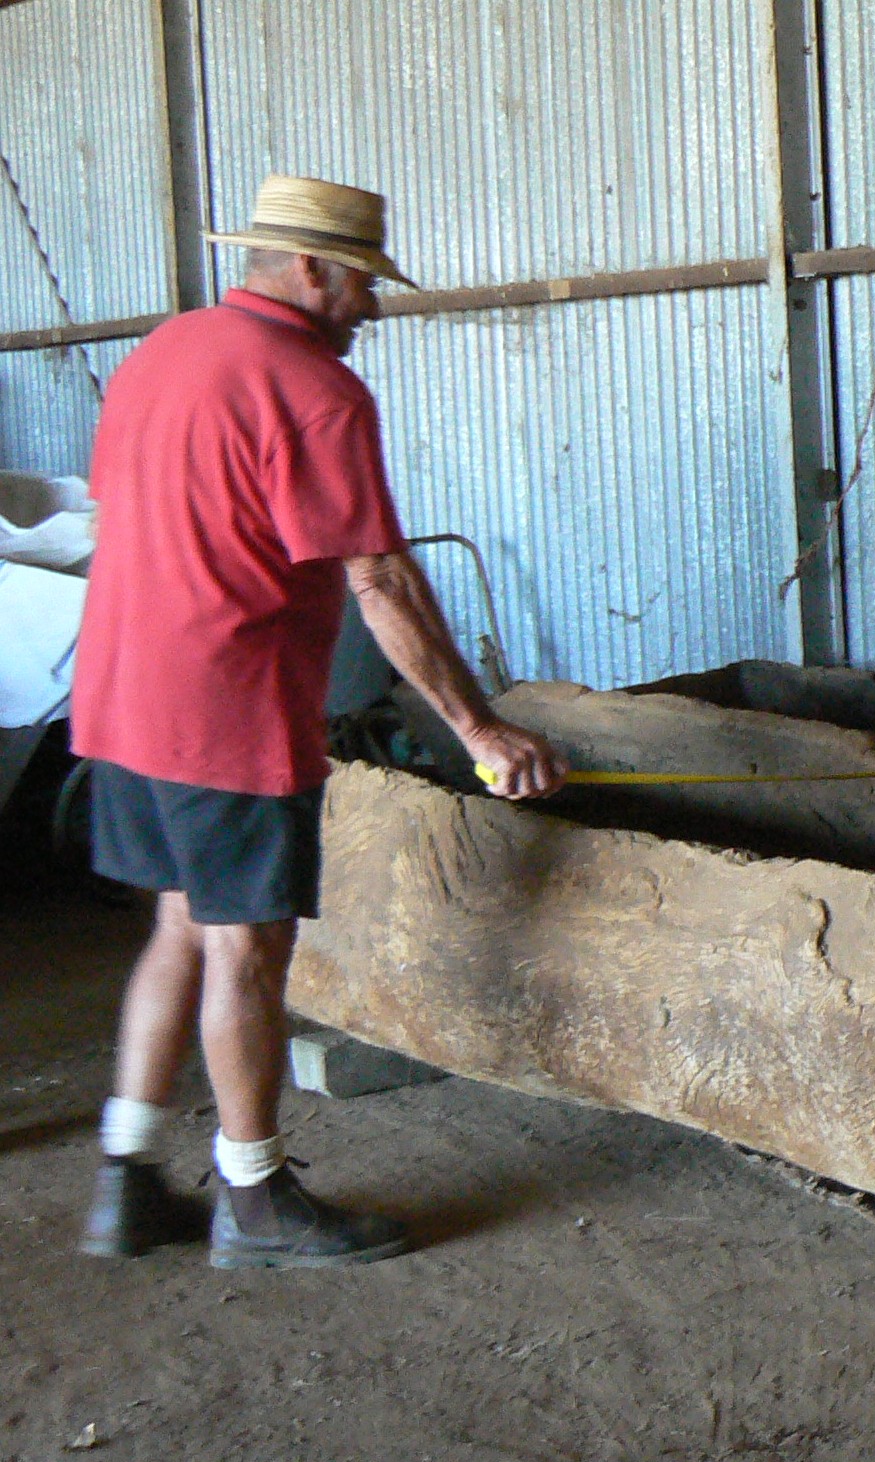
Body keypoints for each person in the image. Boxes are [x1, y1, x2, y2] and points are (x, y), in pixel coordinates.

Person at [69, 174, 564, 1269]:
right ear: (308, 268)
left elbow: (126, 508)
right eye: (361, 284)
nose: (370, 311)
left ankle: (127, 1175)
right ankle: (254, 1200)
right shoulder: (312, 391)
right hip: (222, 712)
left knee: (179, 928)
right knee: (246, 949)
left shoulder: (160, 355)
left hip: (117, 695)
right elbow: (378, 577)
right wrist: (480, 730)